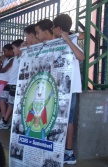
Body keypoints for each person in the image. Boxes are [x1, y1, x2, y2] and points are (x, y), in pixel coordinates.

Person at [52, 14, 85, 164]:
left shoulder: (70, 41)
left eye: (54, 27)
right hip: (58, 88)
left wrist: (67, 39)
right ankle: (59, 149)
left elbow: (81, 57)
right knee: (58, 119)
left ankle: (69, 153)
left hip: (69, 90)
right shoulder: (57, 42)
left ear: (59, 28)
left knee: (69, 121)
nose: (52, 30)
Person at [0, 39, 24, 130]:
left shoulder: (23, 56)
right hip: (10, 82)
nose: (13, 50)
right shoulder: (15, 58)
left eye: (14, 48)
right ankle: (4, 119)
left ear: (20, 48)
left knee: (11, 103)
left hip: (16, 83)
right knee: (1, 99)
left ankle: (5, 121)